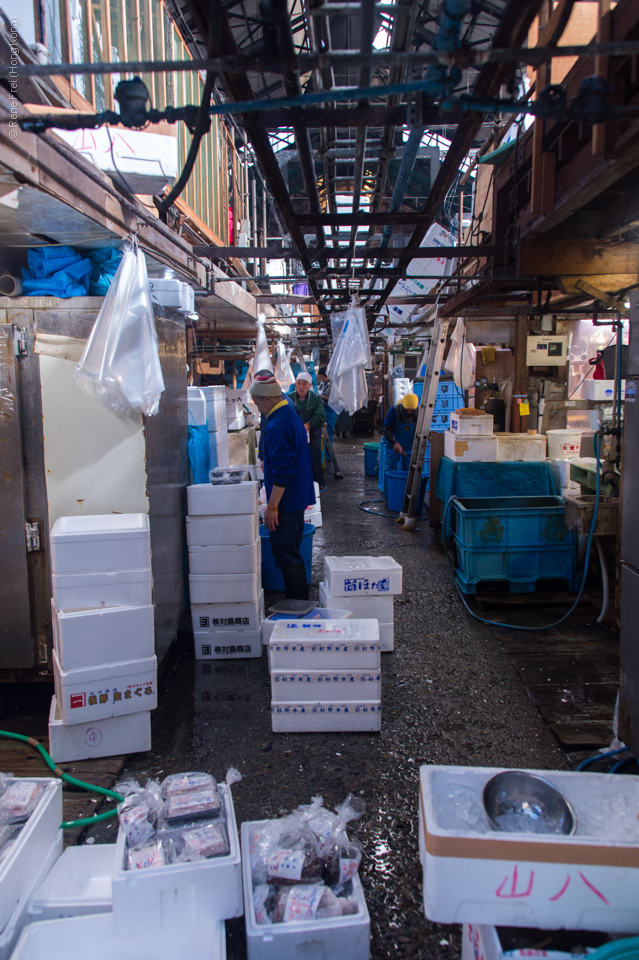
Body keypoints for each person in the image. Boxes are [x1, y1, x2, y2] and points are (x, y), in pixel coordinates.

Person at [250, 374, 315, 600]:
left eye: (258, 404)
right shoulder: (289, 412)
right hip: (296, 497)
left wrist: (272, 507)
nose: (259, 409)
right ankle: (297, 602)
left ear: (267, 399)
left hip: (286, 502)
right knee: (291, 551)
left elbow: (283, 471)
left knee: (286, 553)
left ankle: (298, 604)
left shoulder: (278, 423)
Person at [291, 372, 326, 491]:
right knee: (295, 457)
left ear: (310, 385)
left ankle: (318, 483)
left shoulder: (315, 398)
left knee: (314, 455)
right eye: (299, 384)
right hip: (295, 433)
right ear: (295, 384)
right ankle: (298, 483)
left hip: (312, 432)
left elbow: (321, 415)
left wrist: (308, 425)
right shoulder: (289, 398)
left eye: (304, 384)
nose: (301, 387)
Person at [382, 393, 419, 477]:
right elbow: (387, 429)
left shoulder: (419, 413)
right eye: (407, 410)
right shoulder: (394, 411)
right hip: (393, 446)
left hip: (409, 447)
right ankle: (389, 489)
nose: (409, 412)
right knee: (391, 469)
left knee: (409, 471)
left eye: (411, 410)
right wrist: (394, 442)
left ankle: (407, 489)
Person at [316, 366, 337, 444]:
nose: (322, 379)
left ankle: (329, 453)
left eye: (323, 377)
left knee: (329, 432)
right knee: (323, 433)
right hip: (324, 411)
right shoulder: (322, 384)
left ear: (327, 375)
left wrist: (321, 396)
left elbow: (333, 399)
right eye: (320, 377)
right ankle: (324, 451)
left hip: (330, 412)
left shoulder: (333, 384)